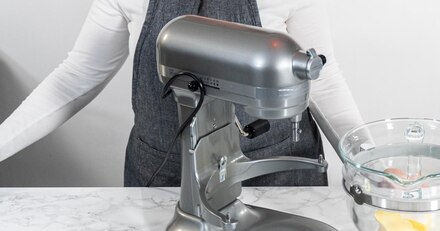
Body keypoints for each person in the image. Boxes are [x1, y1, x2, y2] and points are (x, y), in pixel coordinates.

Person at [0, 0, 363, 186]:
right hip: (164, 178)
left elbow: (323, 80)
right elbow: (76, 76)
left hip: (275, 175)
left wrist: (367, 164)